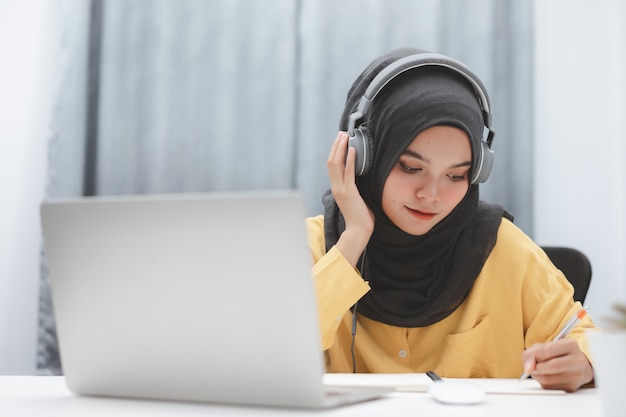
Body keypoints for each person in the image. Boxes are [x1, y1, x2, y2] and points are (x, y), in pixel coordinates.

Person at [305, 47, 595, 392]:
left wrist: (585, 362)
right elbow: (272, 354)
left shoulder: (503, 247)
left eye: (456, 176)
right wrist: (354, 236)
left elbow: (582, 335)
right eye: (410, 167)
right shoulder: (311, 247)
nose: (432, 194)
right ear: (363, 157)